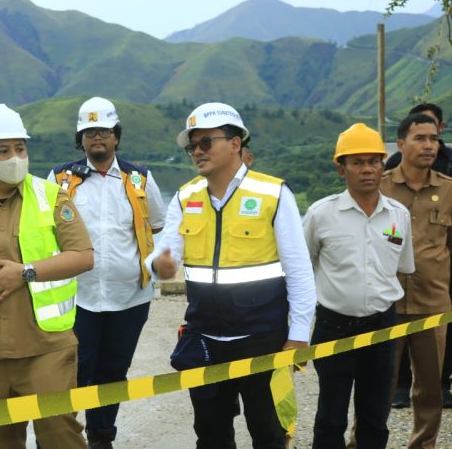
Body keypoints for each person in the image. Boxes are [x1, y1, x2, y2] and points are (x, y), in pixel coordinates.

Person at [148, 102, 315, 448]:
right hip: (205, 339)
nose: (197, 151)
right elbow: (166, 252)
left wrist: (298, 335)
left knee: (269, 433)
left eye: (206, 142)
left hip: (262, 341)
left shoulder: (273, 194)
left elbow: (299, 271)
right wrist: (158, 265)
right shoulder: (185, 196)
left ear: (235, 143)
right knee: (211, 436)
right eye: (192, 145)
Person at [0, 104, 93, 448]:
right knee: (0, 440)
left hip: (45, 347)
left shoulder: (53, 197)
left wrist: (26, 273)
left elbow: (83, 257)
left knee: (60, 434)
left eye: (20, 148)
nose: (15, 157)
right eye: (4, 151)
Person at [49, 97, 165, 448]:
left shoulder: (140, 179)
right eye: (89, 132)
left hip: (130, 297)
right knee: (73, 371)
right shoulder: (60, 179)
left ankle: (102, 436)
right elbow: (43, 230)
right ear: (80, 139)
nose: (96, 138)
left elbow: (157, 226)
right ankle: (63, 438)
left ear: (116, 136)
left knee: (113, 372)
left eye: (103, 131)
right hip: (76, 297)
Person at [303, 123, 413, 449]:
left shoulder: (399, 215)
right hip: (333, 326)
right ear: (341, 168)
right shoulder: (321, 215)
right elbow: (301, 268)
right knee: (331, 417)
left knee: (375, 417)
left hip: (382, 327)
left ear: (383, 165)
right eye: (357, 162)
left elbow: (404, 266)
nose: (367, 169)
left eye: (374, 161)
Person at [379, 113, 452, 448]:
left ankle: (424, 444)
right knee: (377, 382)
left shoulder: (449, 190)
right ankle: (363, 439)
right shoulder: (379, 186)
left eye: (434, 139)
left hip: (432, 302)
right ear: (401, 144)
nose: (429, 145)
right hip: (385, 302)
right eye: (420, 138)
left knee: (430, 388)